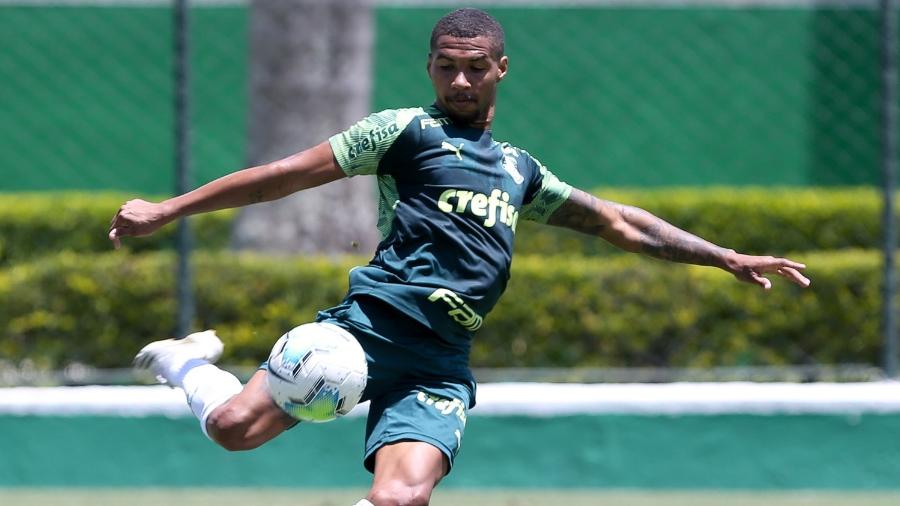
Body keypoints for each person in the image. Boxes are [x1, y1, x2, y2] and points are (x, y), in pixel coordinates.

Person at [108, 8, 811, 506]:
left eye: (476, 69)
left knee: (401, 497)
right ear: (431, 68)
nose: (461, 83)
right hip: (364, 331)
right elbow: (286, 174)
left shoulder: (520, 171)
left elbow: (620, 224)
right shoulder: (402, 134)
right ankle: (188, 361)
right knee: (233, 432)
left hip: (438, 361)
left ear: (501, 69)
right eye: (448, 68)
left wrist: (723, 255)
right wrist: (170, 209)